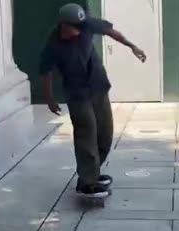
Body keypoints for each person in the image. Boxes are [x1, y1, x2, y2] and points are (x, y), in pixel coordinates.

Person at [39, 3, 147, 197]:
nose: (80, 31)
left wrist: (132, 46)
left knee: (105, 135)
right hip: (77, 95)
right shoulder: (53, 44)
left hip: (98, 87)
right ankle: (88, 182)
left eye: (81, 27)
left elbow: (110, 31)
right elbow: (45, 73)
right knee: (86, 133)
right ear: (63, 25)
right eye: (75, 28)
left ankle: (91, 174)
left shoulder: (86, 24)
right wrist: (49, 99)